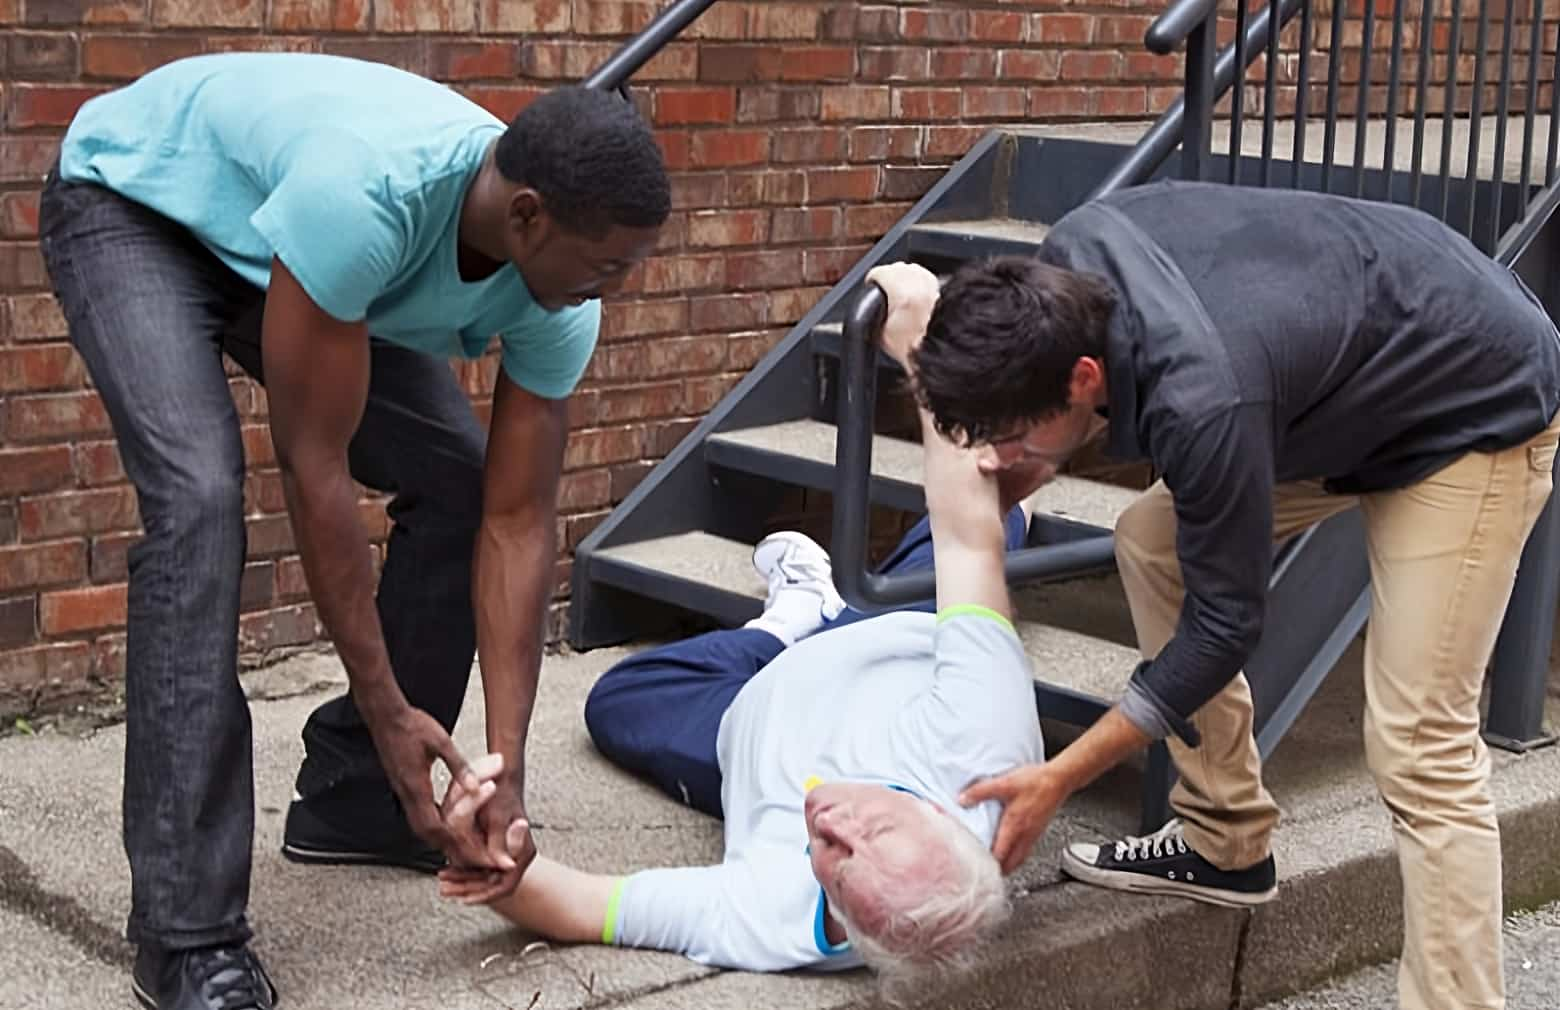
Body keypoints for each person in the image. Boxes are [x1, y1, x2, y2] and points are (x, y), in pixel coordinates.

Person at [37, 52, 669, 1010]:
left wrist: (506, 773)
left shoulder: (557, 292)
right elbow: (314, 468)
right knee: (199, 503)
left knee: (457, 478)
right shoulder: (372, 194)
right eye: (610, 264)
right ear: (529, 215)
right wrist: (387, 711)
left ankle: (361, 805)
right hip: (139, 209)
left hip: (294, 257)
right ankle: (186, 934)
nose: (613, 289)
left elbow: (514, 517)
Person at [867, 180, 1560, 1010]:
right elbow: (1054, 421)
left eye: (1017, 437)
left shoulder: (1204, 397)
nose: (1006, 456)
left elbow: (1226, 626)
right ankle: (1224, 837)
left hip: (1470, 406)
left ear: (1085, 377)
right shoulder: (1066, 268)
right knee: (1150, 542)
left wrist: (1059, 775)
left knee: (1422, 742)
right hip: (1352, 373)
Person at [438, 416, 1057, 996]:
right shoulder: (983, 745)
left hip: (747, 719)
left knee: (618, 701)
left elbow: (584, 905)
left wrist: (498, 864)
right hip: (888, 642)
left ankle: (792, 620)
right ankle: (827, 615)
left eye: (834, 868)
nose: (828, 822)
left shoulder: (773, 918)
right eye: (876, 826)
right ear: (944, 819)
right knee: (978, 531)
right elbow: (969, 539)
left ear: (847, 928)